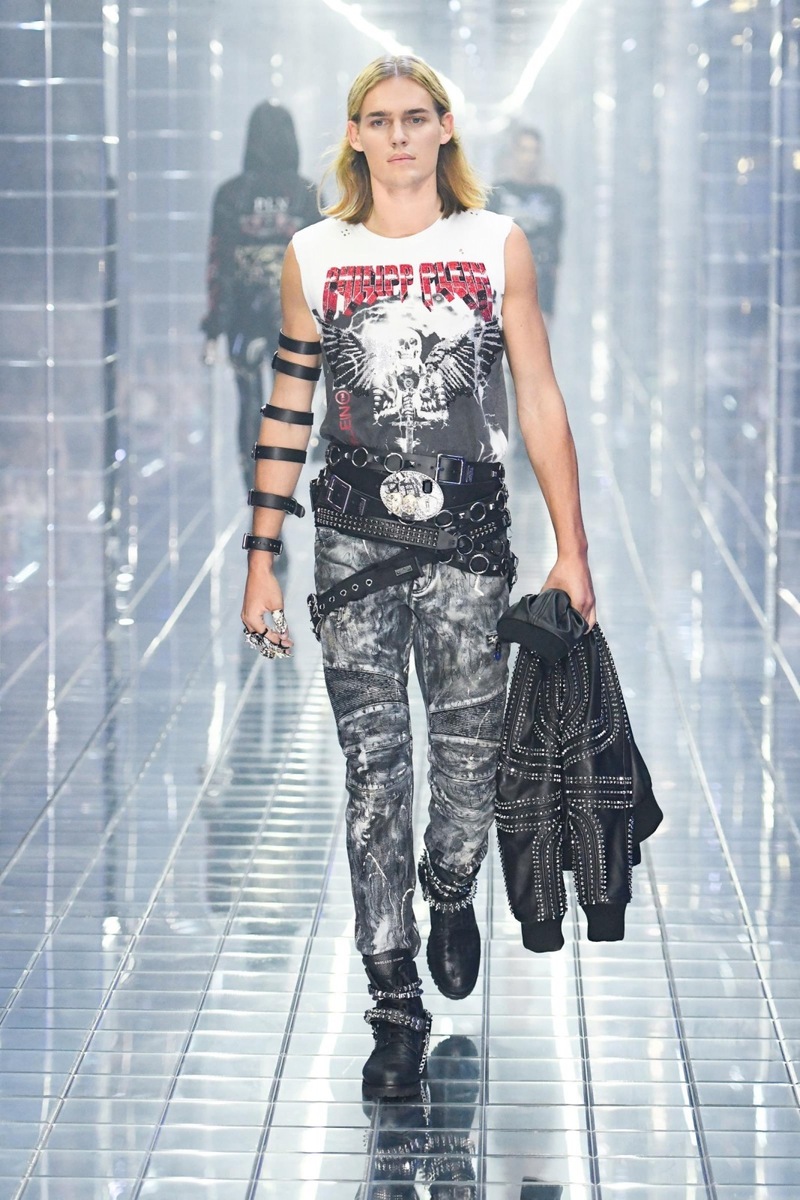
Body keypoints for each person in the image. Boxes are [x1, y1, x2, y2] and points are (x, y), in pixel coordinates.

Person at [240, 56, 595, 1100]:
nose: (397, 136)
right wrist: (261, 559)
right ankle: (393, 1003)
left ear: (444, 129)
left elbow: (537, 394)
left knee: (470, 767)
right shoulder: (314, 254)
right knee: (374, 773)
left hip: (469, 541)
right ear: (355, 134)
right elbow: (288, 406)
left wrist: (572, 548)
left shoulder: (494, 244)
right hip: (350, 544)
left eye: (415, 117)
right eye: (378, 119)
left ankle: (449, 883)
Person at [201, 102, 319, 487]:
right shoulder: (308, 194)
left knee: (249, 402)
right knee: (290, 404)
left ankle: (255, 491)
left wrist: (214, 328)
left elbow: (219, 263)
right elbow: (326, 267)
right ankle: (282, 489)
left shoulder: (230, 195)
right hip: (295, 319)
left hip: (243, 317)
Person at [490, 126, 564, 322]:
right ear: (514, 152)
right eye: (524, 150)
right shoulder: (496, 194)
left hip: (541, 284)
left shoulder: (552, 196)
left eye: (535, 151)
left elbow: (556, 245)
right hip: (505, 285)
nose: (529, 157)